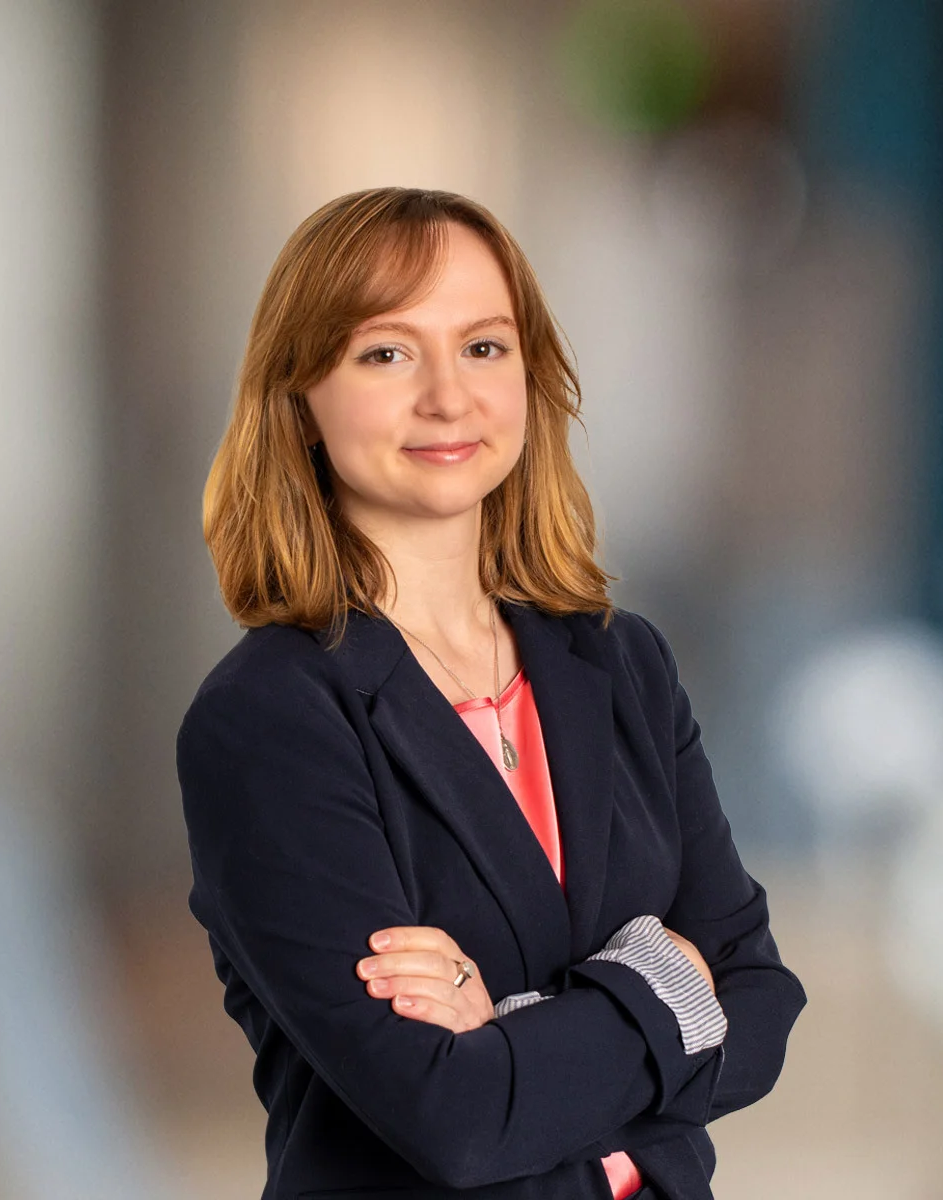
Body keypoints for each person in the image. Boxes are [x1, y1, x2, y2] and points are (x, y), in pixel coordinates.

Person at [176, 187, 804, 1200]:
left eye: (483, 348)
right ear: (301, 398)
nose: (448, 398)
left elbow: (765, 1003)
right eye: (386, 353)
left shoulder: (620, 665)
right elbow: (454, 1120)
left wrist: (507, 1026)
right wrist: (670, 978)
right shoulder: (269, 719)